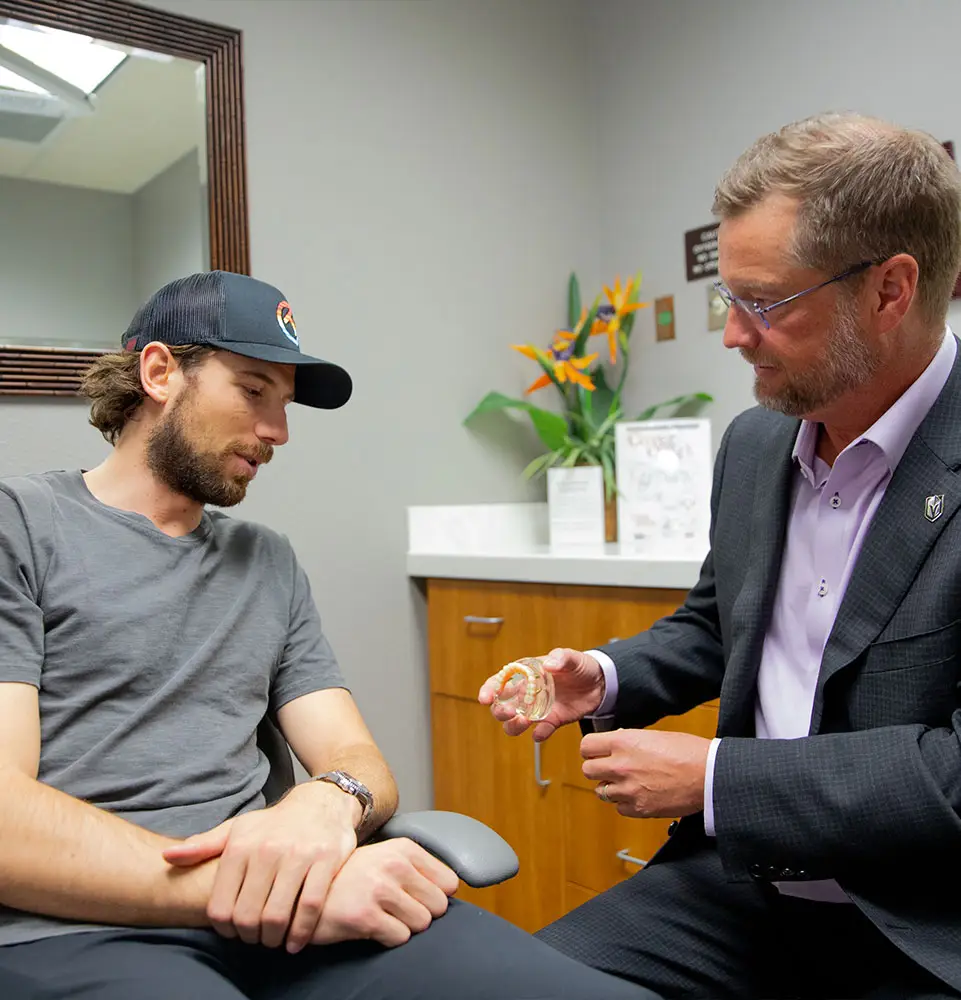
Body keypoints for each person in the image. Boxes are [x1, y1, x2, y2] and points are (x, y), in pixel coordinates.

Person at [0, 270, 657, 999]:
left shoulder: (267, 561)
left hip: (296, 916)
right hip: (80, 931)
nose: (278, 431)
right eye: (253, 391)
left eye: (283, 405)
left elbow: (357, 762)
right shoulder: (21, 527)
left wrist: (329, 800)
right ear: (159, 373)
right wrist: (256, 884)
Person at [480, 112, 961, 1000]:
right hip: (743, 884)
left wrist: (716, 778)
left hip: (922, 922)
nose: (733, 335)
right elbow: (718, 622)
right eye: (727, 301)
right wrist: (604, 675)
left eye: (764, 303)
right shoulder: (752, 444)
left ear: (891, 289)